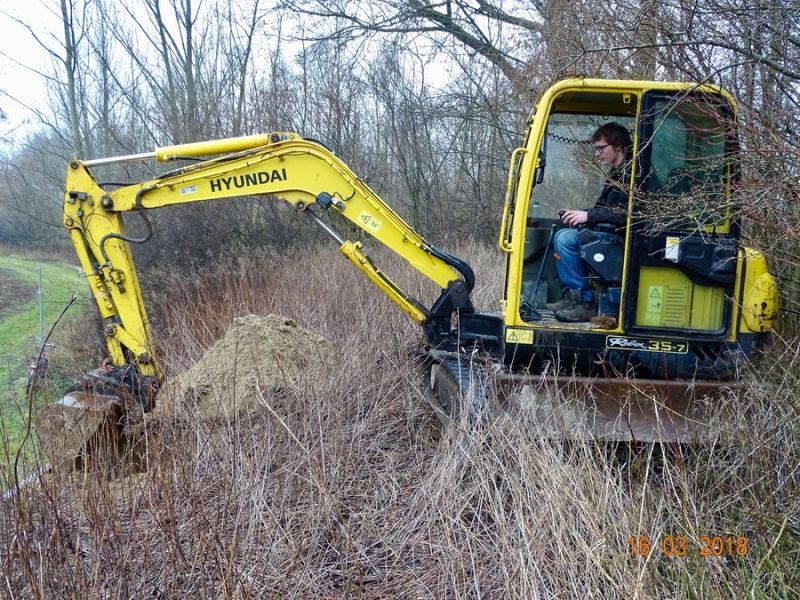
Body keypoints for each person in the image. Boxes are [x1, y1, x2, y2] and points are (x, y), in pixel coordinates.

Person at [545, 122, 632, 322]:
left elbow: (626, 214)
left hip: (622, 240)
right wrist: (580, 215)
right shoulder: (618, 174)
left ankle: (584, 301)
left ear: (618, 145)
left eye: (601, 148)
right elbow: (607, 210)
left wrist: (588, 216)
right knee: (560, 234)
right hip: (609, 233)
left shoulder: (633, 175)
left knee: (566, 239)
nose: (597, 154)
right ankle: (571, 296)